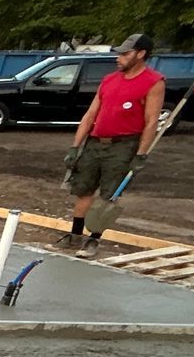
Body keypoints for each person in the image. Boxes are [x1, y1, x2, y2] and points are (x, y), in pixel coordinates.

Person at [57, 33, 165, 257]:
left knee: (108, 194)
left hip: (123, 145)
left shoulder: (153, 82)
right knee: (83, 189)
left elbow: (151, 121)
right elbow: (90, 114)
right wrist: (76, 146)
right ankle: (75, 234)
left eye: (125, 54)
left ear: (141, 54)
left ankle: (93, 239)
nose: (119, 58)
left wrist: (141, 154)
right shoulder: (109, 80)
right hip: (95, 142)